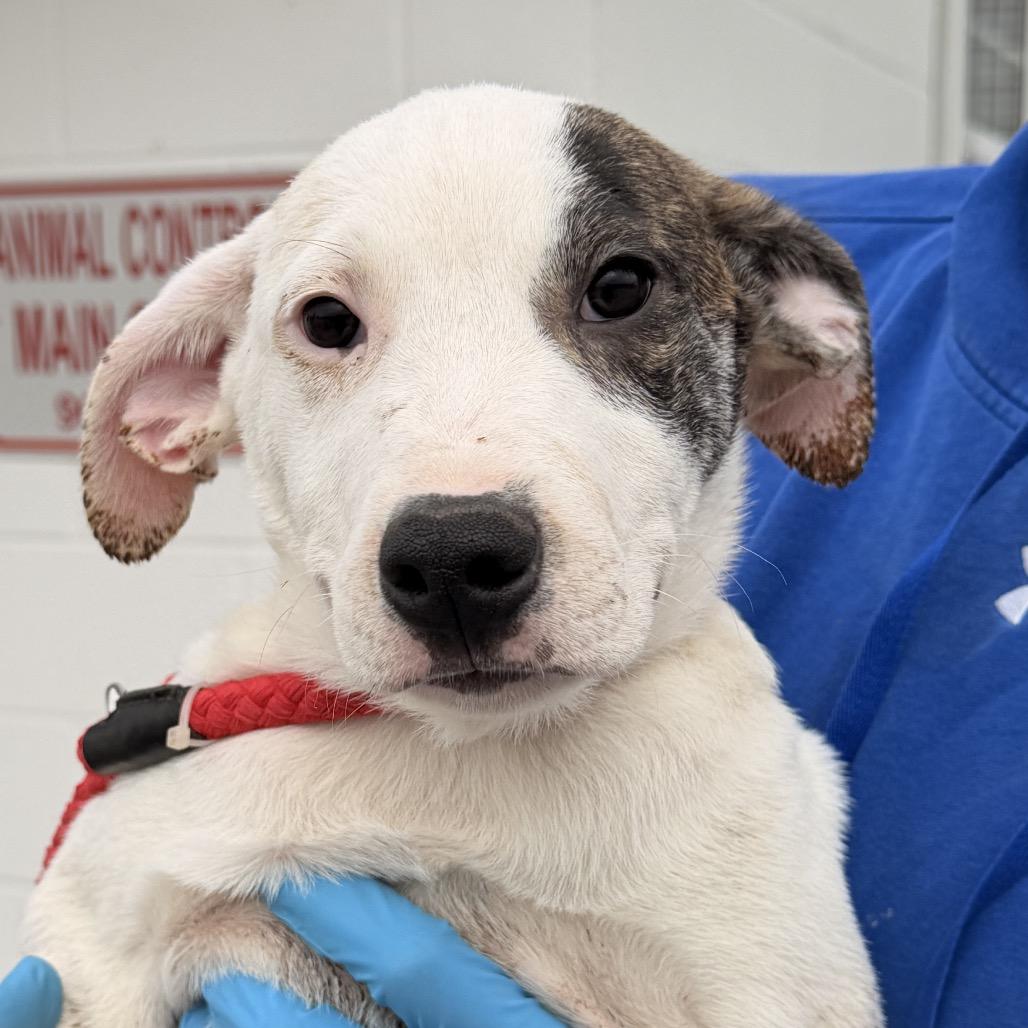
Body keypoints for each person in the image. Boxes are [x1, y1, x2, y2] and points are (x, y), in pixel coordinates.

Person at [5, 124, 1027, 1027]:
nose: (458, 517)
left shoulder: (730, 804)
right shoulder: (204, 766)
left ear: (785, 341)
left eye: (614, 292)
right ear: (203, 380)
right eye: (329, 325)